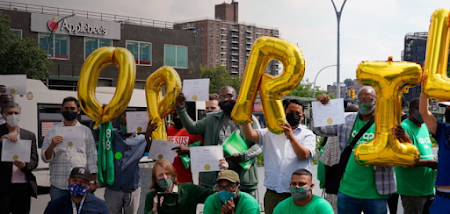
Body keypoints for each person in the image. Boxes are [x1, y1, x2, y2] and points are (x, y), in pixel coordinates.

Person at [314, 86, 403, 214]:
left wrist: (404, 137)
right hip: (347, 191)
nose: (363, 103)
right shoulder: (346, 119)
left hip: (376, 194)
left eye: (368, 99)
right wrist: (320, 108)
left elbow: (400, 152)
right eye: (360, 99)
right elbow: (320, 130)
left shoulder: (387, 124)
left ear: (377, 100)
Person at [175, 86, 261, 194]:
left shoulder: (249, 119)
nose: (225, 99)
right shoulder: (211, 118)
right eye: (222, 97)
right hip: (217, 180)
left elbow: (260, 145)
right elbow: (192, 129)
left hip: (242, 179)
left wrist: (242, 156)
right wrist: (181, 108)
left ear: (236, 97)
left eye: (229, 96)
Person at [242, 99, 316, 214]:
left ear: (303, 116)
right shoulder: (270, 132)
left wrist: (291, 136)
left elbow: (304, 155)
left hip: (297, 193)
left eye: (298, 113)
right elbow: (250, 134)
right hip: (273, 192)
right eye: (290, 112)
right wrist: (245, 118)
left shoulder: (307, 134)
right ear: (284, 113)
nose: (294, 115)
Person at [91, 114, 157, 214]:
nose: (123, 126)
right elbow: (95, 130)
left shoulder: (142, 140)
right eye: (121, 123)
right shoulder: (113, 134)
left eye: (126, 124)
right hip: (113, 187)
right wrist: (101, 115)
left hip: (132, 187)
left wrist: (148, 135)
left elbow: (154, 153)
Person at [42, 96, 98, 200]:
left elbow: (92, 157)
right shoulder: (52, 132)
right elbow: (46, 158)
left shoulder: (85, 131)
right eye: (66, 108)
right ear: (61, 110)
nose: (69, 111)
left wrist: (93, 181)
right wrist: (52, 145)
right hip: (58, 185)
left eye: (72, 108)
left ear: (78, 111)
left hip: (80, 183)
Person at [394, 98, 437, 214]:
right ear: (412, 111)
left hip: (428, 188)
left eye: (427, 110)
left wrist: (436, 160)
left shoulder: (423, 126)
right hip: (412, 191)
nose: (425, 113)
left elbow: (425, 153)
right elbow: (405, 160)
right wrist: (430, 163)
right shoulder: (403, 128)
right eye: (422, 110)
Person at [144, 159, 228, 214]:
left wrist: (225, 172)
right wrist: (154, 210)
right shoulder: (151, 196)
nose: (165, 178)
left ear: (173, 175)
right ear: (155, 179)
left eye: (167, 174)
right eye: (160, 175)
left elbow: (216, 196)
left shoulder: (189, 189)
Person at [317, 103, 359, 213]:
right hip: (358, 188)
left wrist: (327, 183)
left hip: (337, 187)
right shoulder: (367, 134)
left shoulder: (334, 135)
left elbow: (325, 162)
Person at [0, 102, 38, 214]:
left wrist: (26, 166)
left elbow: (34, 160)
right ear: (3, 115)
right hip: (3, 186)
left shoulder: (29, 135)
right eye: (10, 113)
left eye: (16, 113)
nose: (13, 115)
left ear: (20, 114)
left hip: (23, 186)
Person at [419, 93, 450, 214]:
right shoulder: (443, 131)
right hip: (442, 198)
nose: (447, 110)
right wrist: (424, 90)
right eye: (446, 108)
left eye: (449, 108)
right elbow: (424, 112)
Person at [44, 167, 109, 214]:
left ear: (88, 185)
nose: (78, 184)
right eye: (74, 181)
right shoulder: (55, 205)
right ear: (68, 181)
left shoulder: (99, 205)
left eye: (82, 182)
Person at [167, 109, 203, 183]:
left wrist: (188, 150)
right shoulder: (166, 130)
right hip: (167, 176)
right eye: (174, 115)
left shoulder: (194, 131)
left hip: (185, 177)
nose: (177, 117)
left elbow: (201, 152)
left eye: (179, 114)